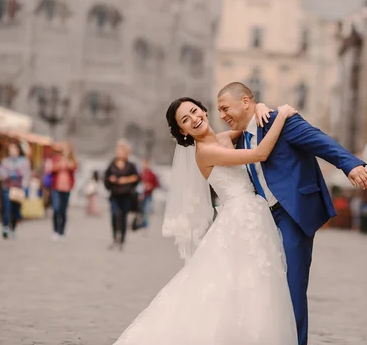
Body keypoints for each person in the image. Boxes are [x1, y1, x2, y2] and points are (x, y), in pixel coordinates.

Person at [112, 99, 298, 345]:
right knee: (245, 281)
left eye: (194, 111)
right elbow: (259, 153)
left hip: (251, 214)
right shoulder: (206, 151)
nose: (194, 119)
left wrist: (260, 106)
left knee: (251, 283)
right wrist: (283, 114)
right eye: (185, 120)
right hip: (240, 217)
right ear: (183, 131)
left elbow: (248, 125)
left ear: (204, 111)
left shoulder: (222, 138)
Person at [216, 82, 367, 345]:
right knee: (268, 287)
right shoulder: (241, 136)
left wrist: (350, 165)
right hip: (263, 219)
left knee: (292, 287)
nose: (222, 115)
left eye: (224, 108)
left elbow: (319, 140)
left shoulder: (282, 121)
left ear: (245, 102)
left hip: (292, 213)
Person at [104, 139, 138, 251]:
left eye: (121, 151)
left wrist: (124, 180)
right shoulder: (112, 164)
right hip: (114, 194)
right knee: (114, 215)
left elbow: (136, 178)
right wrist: (111, 180)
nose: (119, 153)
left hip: (126, 195)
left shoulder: (131, 165)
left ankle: (122, 240)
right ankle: (114, 238)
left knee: (123, 217)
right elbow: (106, 177)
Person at [0, 141, 31, 239]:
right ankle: (5, 227)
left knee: (15, 210)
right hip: (7, 187)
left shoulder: (24, 161)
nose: (12, 151)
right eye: (10, 149)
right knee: (7, 208)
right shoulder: (5, 161)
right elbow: (2, 172)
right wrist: (8, 175)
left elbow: (26, 174)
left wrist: (24, 186)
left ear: (18, 150)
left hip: (18, 188)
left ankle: (13, 228)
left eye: (14, 149)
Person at [50, 143, 78, 241]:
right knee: (56, 209)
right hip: (56, 187)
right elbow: (52, 169)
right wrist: (60, 161)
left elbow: (73, 167)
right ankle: (55, 230)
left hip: (66, 188)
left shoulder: (72, 160)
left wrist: (67, 159)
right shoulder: (56, 158)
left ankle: (62, 231)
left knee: (63, 210)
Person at [139, 158, 159, 228]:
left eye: (146, 164)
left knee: (146, 209)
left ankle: (145, 224)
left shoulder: (152, 174)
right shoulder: (140, 173)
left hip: (148, 195)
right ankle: (141, 222)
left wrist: (151, 186)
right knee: (141, 210)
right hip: (140, 195)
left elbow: (157, 184)